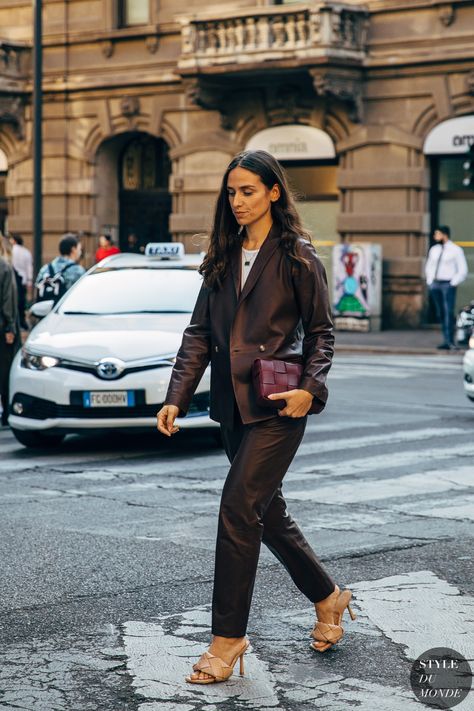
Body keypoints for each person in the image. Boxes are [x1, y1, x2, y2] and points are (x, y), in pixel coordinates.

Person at [156, 150, 356, 685]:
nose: (238, 201)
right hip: (231, 408)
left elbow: (322, 334)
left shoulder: (296, 256)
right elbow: (199, 334)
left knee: (238, 509)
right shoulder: (222, 256)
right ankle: (329, 597)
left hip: (278, 405)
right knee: (267, 515)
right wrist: (177, 394)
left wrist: (309, 391)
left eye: (248, 191)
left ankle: (227, 639)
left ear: (273, 192)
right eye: (231, 192)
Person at [425, 225, 468, 349]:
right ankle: (445, 340)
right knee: (441, 313)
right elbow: (429, 266)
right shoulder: (434, 249)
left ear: (444, 234)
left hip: (447, 285)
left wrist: (452, 283)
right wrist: (430, 281)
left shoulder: (455, 250)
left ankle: (450, 340)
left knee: (448, 312)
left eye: (437, 234)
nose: (435, 236)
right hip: (435, 284)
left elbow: (462, 270)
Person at [0, 237, 21, 427]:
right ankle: (7, 410)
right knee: (5, 370)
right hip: (2, 328)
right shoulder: (4, 268)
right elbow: (8, 300)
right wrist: (10, 327)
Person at [35, 233, 86, 298]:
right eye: (79, 249)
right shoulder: (78, 270)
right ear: (73, 249)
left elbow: (37, 286)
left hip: (46, 307)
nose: (80, 252)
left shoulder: (46, 268)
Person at [9, 233, 33, 330]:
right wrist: (29, 281)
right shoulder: (26, 252)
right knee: (22, 302)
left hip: (12, 280)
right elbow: (29, 268)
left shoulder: (11, 251)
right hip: (23, 280)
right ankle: (22, 322)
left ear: (14, 240)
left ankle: (16, 322)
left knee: (13, 301)